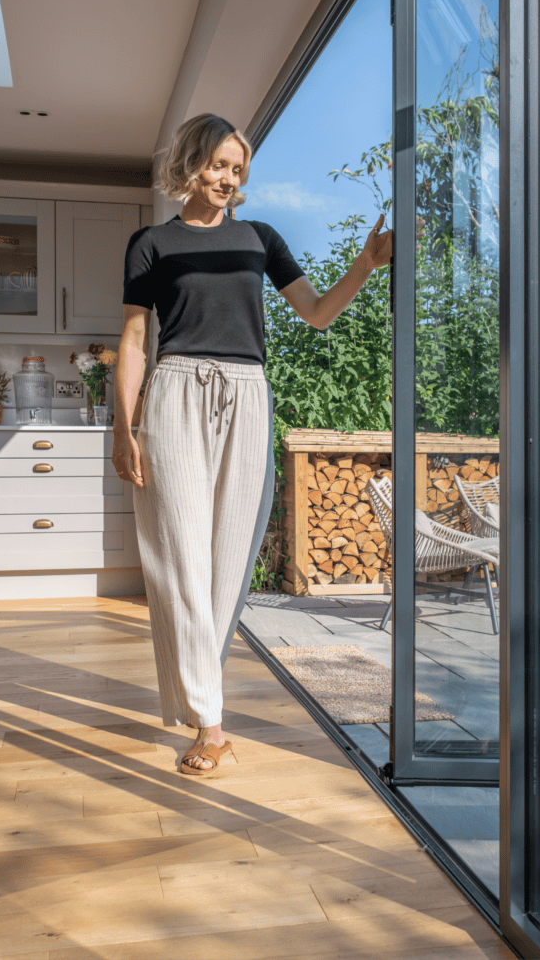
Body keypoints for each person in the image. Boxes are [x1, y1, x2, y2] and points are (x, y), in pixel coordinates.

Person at [112, 113, 392, 775]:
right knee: (182, 558)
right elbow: (131, 342)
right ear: (189, 163)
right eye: (217, 165)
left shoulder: (259, 239)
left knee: (228, 560)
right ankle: (212, 727)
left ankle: (201, 708)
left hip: (246, 393)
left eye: (237, 169)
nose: (227, 179)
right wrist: (123, 430)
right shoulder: (149, 243)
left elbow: (316, 312)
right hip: (176, 389)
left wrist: (366, 264)